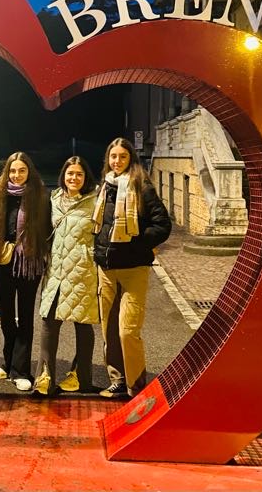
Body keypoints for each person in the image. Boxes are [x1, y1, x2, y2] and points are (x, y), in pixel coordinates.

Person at [93, 138, 171, 399]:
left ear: (130, 159)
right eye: (113, 157)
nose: (116, 161)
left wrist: (137, 241)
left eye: (122, 157)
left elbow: (162, 225)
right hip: (106, 269)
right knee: (109, 331)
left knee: (128, 331)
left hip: (134, 269)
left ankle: (135, 386)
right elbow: (99, 227)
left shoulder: (142, 186)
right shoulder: (104, 187)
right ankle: (116, 380)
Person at [0, 152, 49, 391]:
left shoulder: (39, 195)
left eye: (21, 170)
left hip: (29, 262)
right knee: (7, 316)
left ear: (29, 171)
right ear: (7, 171)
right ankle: (9, 361)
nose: (17, 175)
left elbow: (47, 228)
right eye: (12, 170)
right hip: (3, 260)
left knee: (25, 318)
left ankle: (22, 370)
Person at [33, 156, 99, 396]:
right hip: (56, 270)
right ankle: (45, 376)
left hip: (83, 271)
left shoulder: (95, 201)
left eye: (79, 174)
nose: (74, 178)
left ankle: (81, 377)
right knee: (49, 322)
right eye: (70, 174)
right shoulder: (54, 199)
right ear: (63, 176)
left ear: (85, 178)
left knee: (82, 324)